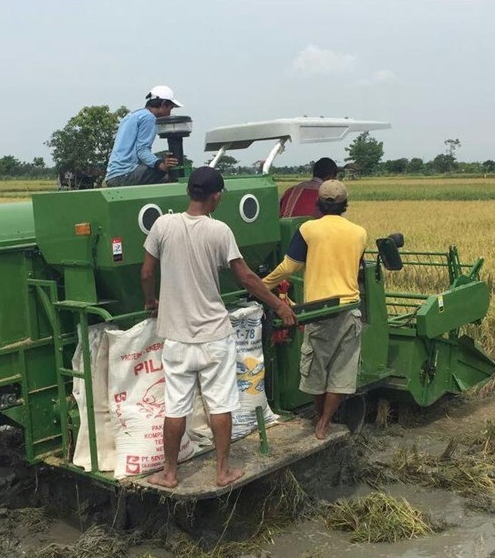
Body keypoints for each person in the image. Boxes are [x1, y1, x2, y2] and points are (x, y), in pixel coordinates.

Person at [141, 166, 297, 488]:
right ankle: (222, 471)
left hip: (177, 340)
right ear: (216, 196)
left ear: (189, 192)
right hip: (215, 337)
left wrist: (151, 301)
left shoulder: (162, 225)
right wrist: (279, 304)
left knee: (176, 408)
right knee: (220, 405)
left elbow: (146, 273)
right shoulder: (219, 231)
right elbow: (246, 278)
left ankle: (169, 474)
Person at [263, 179, 367, 440]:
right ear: (345, 205)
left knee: (315, 369)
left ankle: (318, 419)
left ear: (318, 203)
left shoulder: (309, 229)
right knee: (342, 372)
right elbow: (358, 268)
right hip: (350, 309)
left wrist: (261, 285)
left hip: (320, 312)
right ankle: (325, 421)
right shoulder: (359, 232)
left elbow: (289, 267)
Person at [105, 85, 182, 187]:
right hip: (125, 174)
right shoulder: (149, 118)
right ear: (164, 104)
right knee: (169, 175)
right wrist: (161, 164)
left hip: (113, 175)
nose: (170, 113)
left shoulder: (134, 115)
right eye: (170, 108)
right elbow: (142, 150)